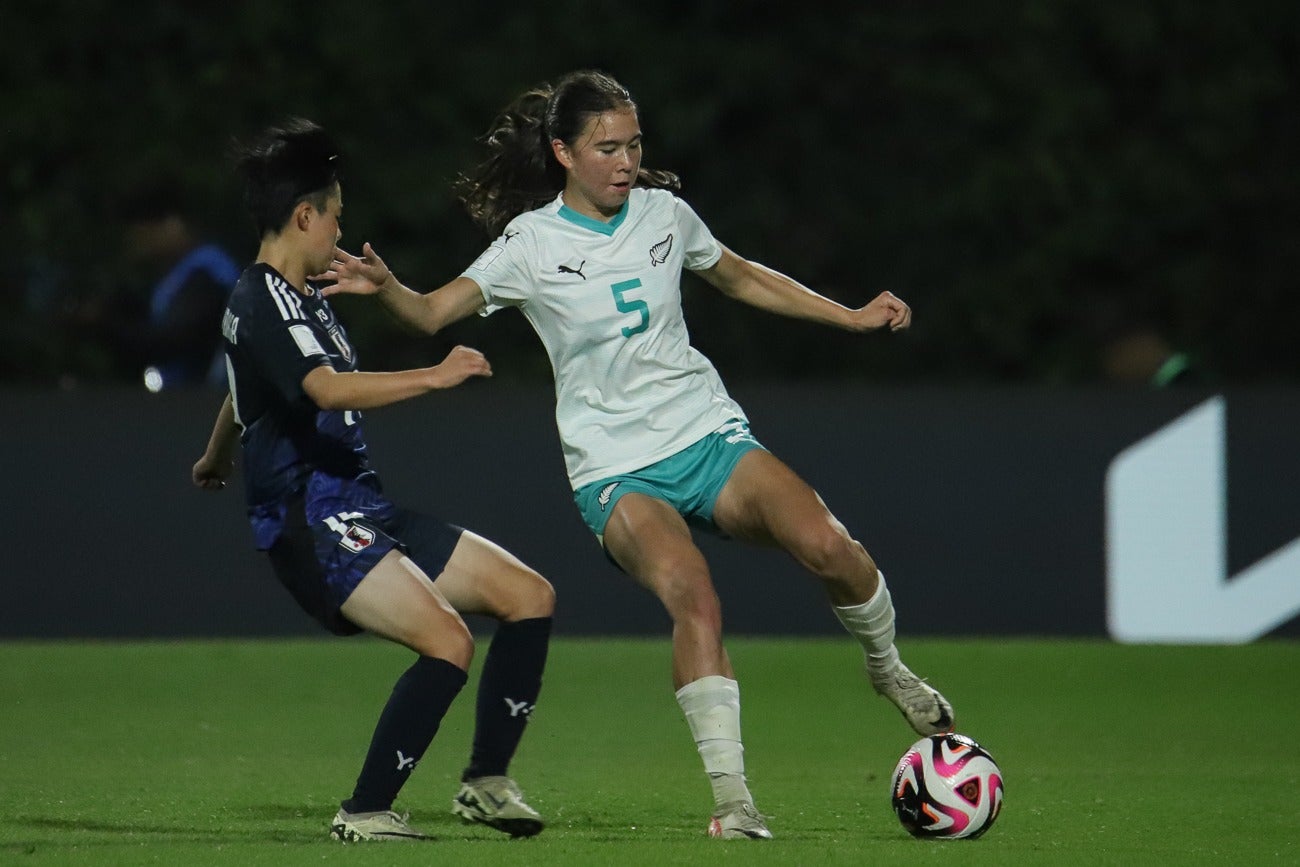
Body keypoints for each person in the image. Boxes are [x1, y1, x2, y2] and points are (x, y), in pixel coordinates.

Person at [322, 71, 954, 841]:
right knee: (693, 592)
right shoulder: (530, 244)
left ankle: (887, 666)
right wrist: (386, 286)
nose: (624, 162)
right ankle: (735, 802)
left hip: (705, 433)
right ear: (562, 151)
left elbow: (739, 274)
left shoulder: (665, 214)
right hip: (614, 468)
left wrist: (848, 316)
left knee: (830, 548)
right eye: (605, 147)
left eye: (634, 144)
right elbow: (429, 313)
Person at [190, 119, 555, 843]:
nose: (339, 231)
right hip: (310, 516)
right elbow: (323, 390)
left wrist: (215, 455)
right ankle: (362, 812)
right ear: (305, 216)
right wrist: (438, 373)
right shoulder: (265, 300)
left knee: (528, 596)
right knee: (449, 642)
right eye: (335, 217)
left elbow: (244, 385)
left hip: (357, 505)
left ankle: (484, 781)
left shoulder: (298, 298)